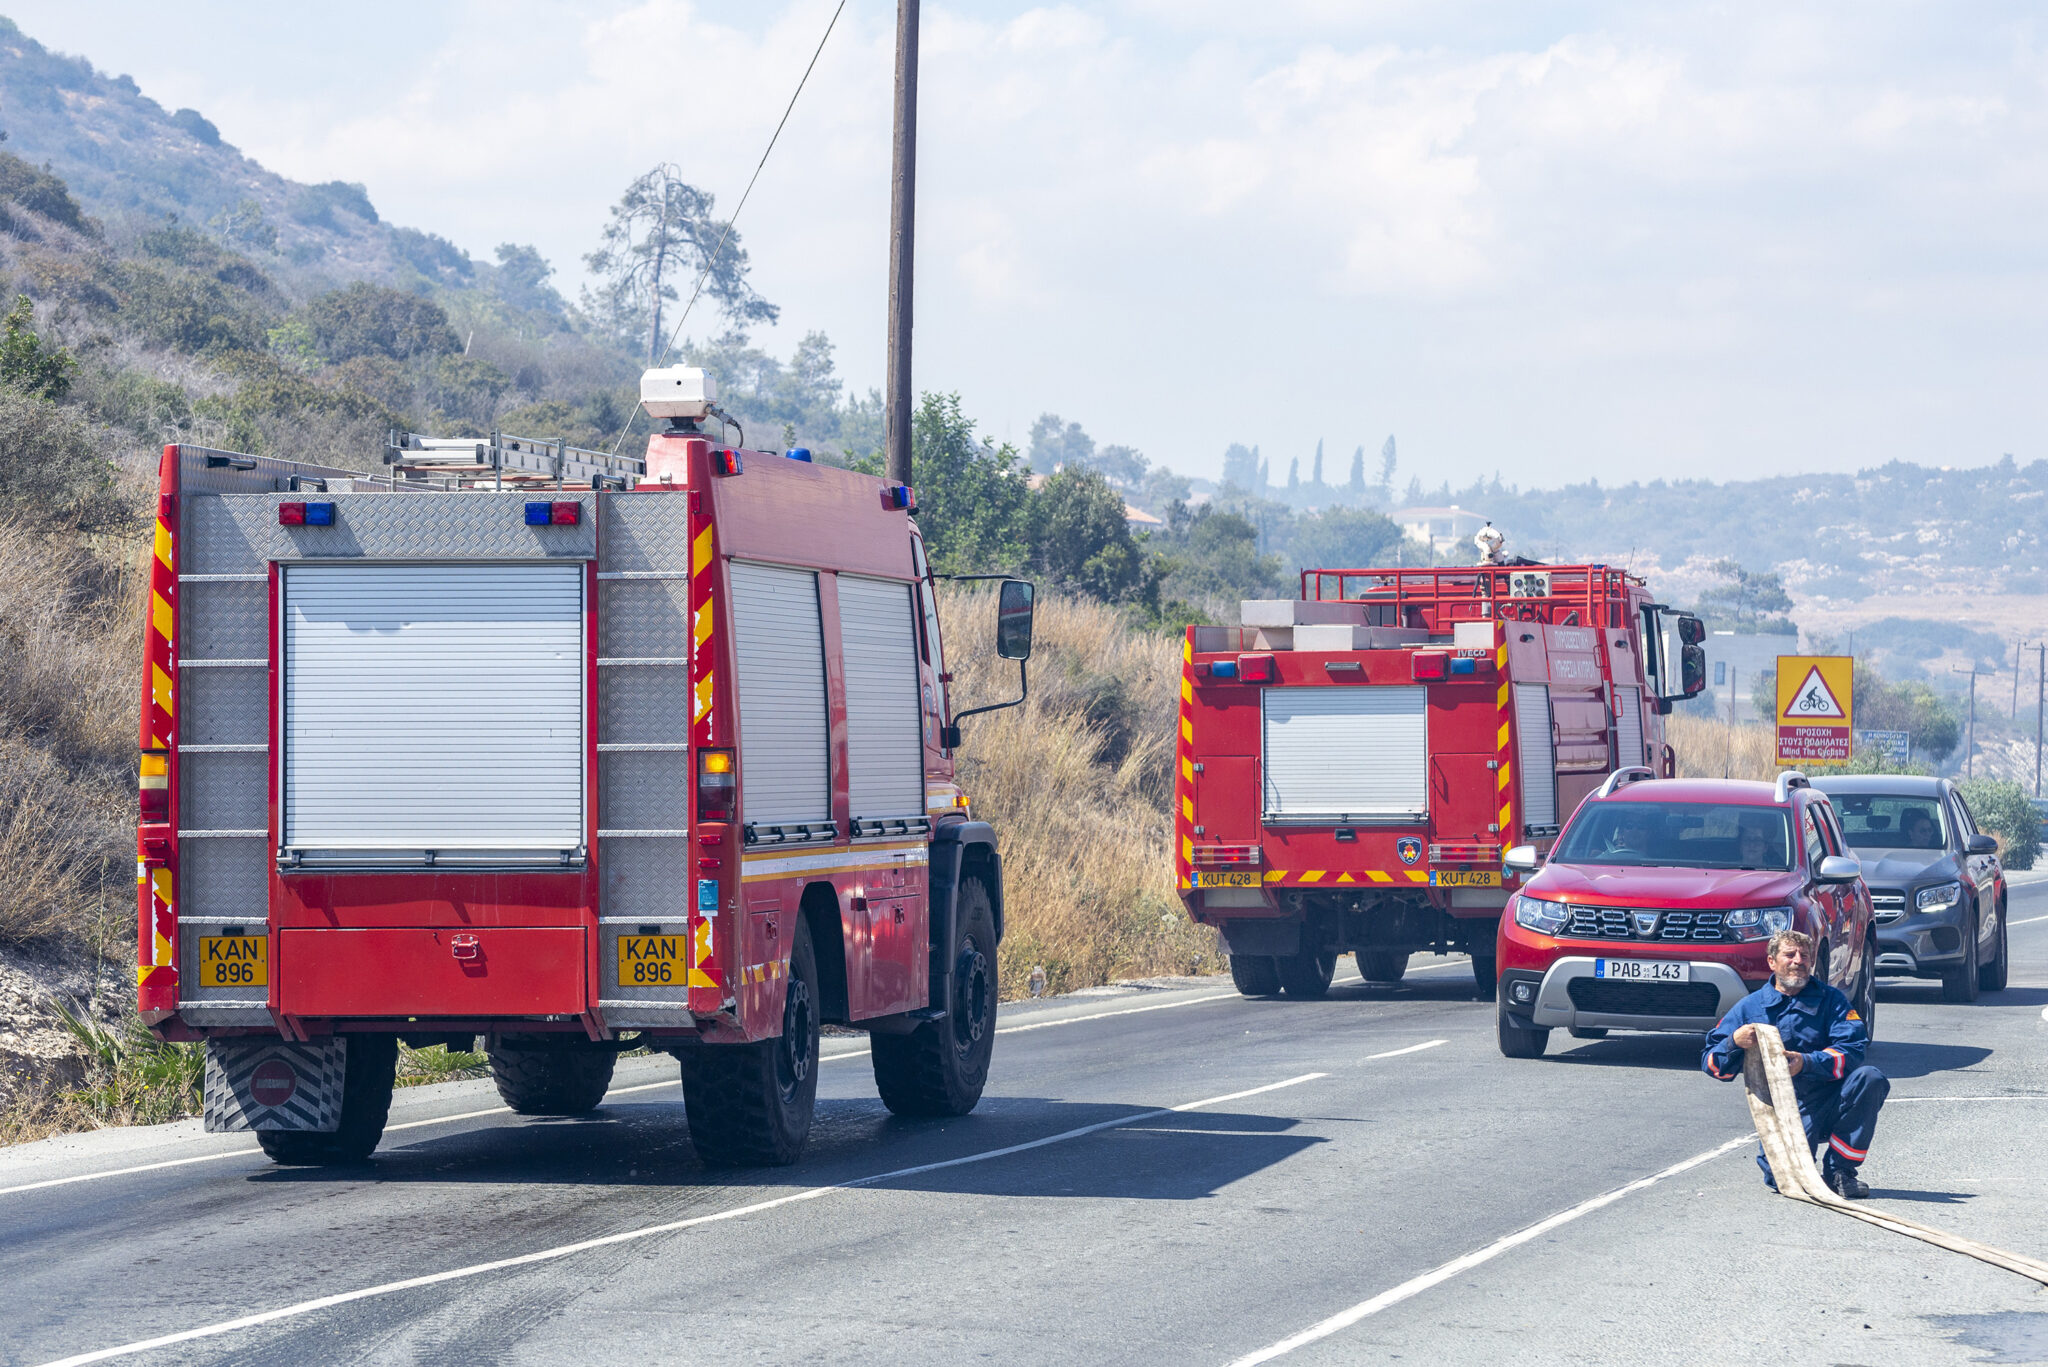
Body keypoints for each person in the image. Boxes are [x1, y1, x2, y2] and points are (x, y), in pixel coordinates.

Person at [1702, 929, 1887, 1198]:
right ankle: (1796, 1162)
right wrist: (1733, 1041)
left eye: (1804, 955)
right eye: (1789, 954)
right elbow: (1711, 1063)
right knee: (1785, 1181)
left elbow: (1853, 1049)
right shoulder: (1750, 1008)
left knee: (1870, 1078)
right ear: (1771, 962)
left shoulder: (1832, 1001)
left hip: (1832, 1096)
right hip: (1785, 1107)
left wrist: (1807, 1063)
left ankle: (1840, 1171)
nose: (1798, 961)